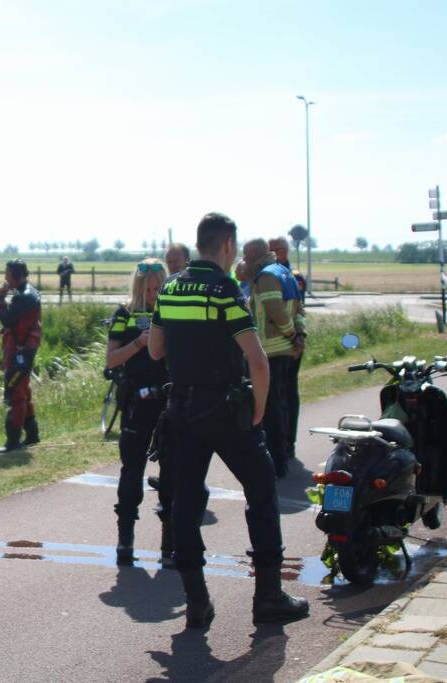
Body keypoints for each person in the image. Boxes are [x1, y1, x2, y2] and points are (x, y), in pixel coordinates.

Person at [148, 212, 308, 628]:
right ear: (228, 245)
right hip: (225, 408)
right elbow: (257, 360)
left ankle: (197, 601)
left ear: (198, 244)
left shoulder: (171, 287)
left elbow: (155, 351)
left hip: (181, 410)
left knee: (184, 503)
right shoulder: (224, 289)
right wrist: (258, 409)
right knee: (261, 490)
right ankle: (268, 596)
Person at [105, 258, 173, 566]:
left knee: (173, 473)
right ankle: (125, 541)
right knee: (131, 470)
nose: (154, 294)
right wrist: (139, 342)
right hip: (136, 402)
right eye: (148, 289)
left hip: (171, 401)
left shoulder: (173, 311)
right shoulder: (125, 315)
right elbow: (111, 360)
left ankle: (170, 544)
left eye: (159, 288)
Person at [242, 238, 306, 478]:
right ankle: (286, 451)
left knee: (271, 408)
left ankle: (277, 461)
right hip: (287, 349)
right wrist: (299, 334)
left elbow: (275, 310)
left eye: (247, 256)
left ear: (257, 256)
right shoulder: (283, 272)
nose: (244, 260)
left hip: (272, 350)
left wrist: (291, 334)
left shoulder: (266, 276)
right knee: (286, 400)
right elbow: (299, 309)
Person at [0, 258, 42, 453]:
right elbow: (22, 323)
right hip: (24, 350)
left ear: (16, 276)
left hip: (19, 353)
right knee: (24, 392)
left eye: (8, 274)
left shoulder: (23, 297)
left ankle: (12, 441)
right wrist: (1, 331)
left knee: (16, 395)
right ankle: (32, 435)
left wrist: (0, 298)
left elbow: (9, 319)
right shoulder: (30, 292)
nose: (5, 278)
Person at [269, 236, 307, 461]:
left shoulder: (292, 276)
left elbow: (297, 309)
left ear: (285, 251)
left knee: (288, 393)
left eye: (276, 250)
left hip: (290, 344)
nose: (272, 255)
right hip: (271, 347)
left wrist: (297, 336)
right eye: (269, 250)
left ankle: (288, 443)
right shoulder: (262, 275)